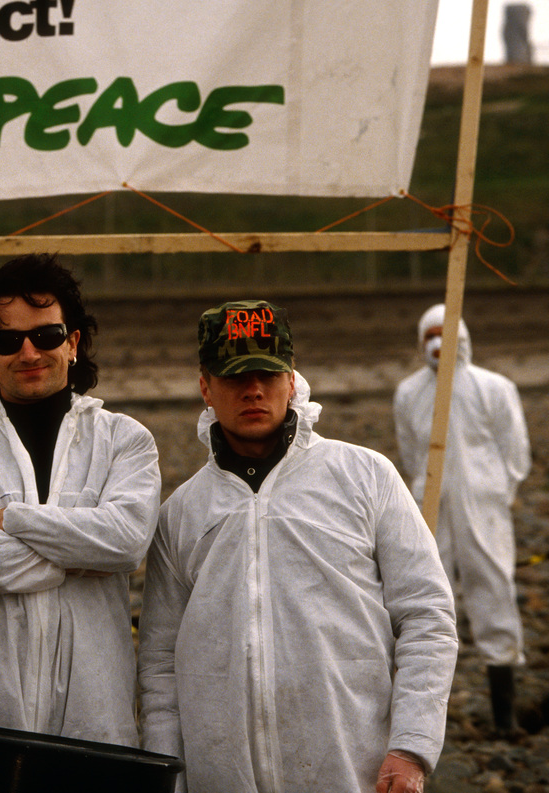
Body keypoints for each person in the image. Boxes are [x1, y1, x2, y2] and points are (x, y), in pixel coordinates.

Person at [138, 299, 458, 793]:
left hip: (352, 769)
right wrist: (167, 777)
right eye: (233, 376)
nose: (253, 390)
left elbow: (427, 615)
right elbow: (160, 666)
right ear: (205, 385)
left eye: (267, 373)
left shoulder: (365, 476)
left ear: (292, 379)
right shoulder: (181, 513)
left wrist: (410, 746)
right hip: (222, 777)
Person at [0, 253, 160, 745]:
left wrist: (10, 519)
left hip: (94, 726)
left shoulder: (126, 441)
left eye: (45, 336)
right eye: (7, 340)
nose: (28, 353)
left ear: (73, 343)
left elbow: (126, 544)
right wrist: (76, 558)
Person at [394, 303, 531, 732]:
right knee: (428, 599)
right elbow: (413, 454)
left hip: (484, 508)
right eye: (429, 334)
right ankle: (424, 723)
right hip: (432, 508)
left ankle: (504, 716)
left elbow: (515, 453)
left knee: (494, 591)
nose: (438, 342)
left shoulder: (495, 389)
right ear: (421, 342)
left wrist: (494, 493)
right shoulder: (409, 393)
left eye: (445, 332)